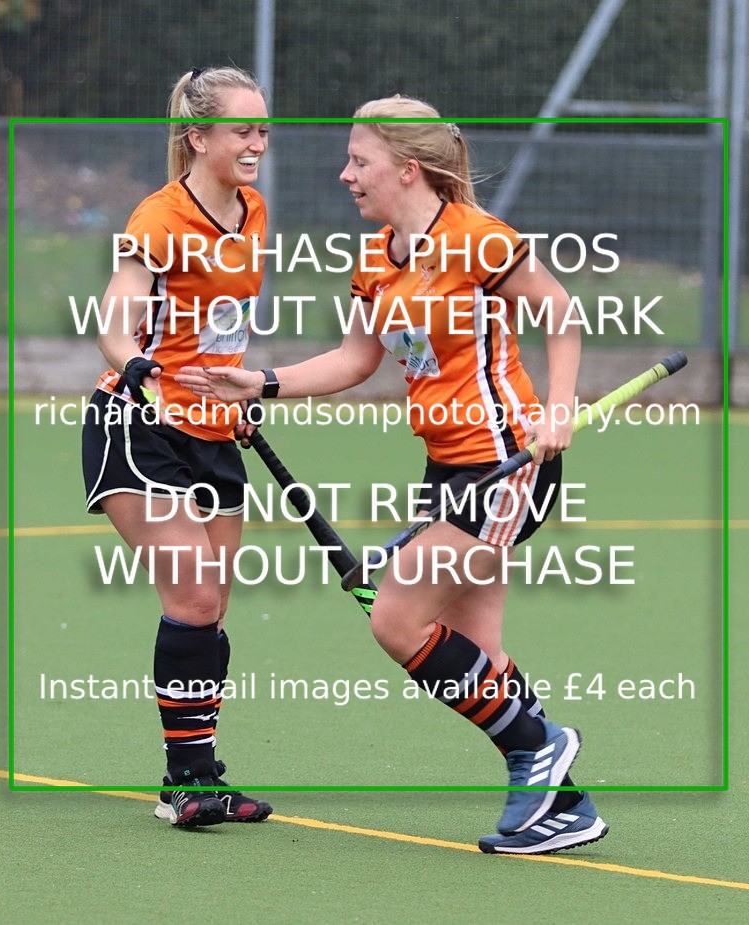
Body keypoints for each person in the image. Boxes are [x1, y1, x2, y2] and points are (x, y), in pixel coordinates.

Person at [178, 95, 609, 855]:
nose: (346, 175)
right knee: (477, 649)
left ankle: (540, 746)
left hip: (507, 462)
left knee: (395, 618)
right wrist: (262, 383)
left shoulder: (477, 238)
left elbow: (560, 314)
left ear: (408, 169)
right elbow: (355, 360)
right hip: (446, 469)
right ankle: (563, 804)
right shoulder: (379, 256)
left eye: (360, 161)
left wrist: (561, 408)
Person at [81, 66, 273, 828]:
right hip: (140, 423)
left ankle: (194, 778)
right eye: (242, 130)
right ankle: (188, 782)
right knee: (192, 596)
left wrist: (237, 393)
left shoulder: (253, 211)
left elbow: (222, 325)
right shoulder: (159, 217)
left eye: (263, 130)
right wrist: (135, 363)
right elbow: (115, 317)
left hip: (215, 431)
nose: (257, 143)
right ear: (198, 136)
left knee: (210, 609)